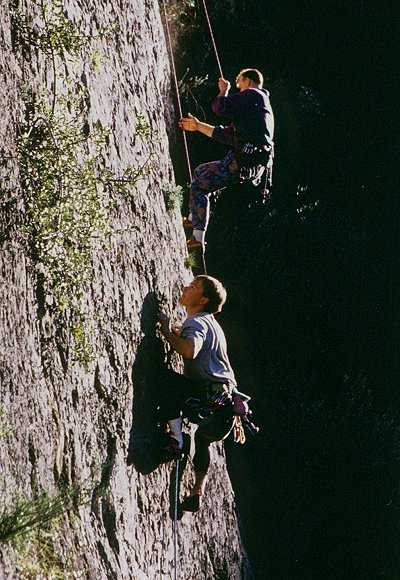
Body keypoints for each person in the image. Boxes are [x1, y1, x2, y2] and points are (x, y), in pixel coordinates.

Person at [158, 275, 238, 512]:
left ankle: (176, 439)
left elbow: (190, 350)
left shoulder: (198, 323)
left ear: (202, 299)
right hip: (225, 410)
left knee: (165, 381)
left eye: (192, 287)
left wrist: (165, 330)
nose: (185, 287)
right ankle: (197, 491)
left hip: (208, 400)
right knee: (203, 440)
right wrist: (178, 331)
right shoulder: (213, 325)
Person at [179, 68, 275, 250]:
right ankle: (192, 219)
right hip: (251, 163)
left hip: (243, 160)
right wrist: (198, 126)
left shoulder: (252, 94)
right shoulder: (259, 110)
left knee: (200, 183)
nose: (240, 90)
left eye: (240, 85)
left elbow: (219, 107)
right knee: (201, 173)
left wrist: (224, 90)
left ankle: (198, 237)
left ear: (247, 80)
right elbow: (225, 134)